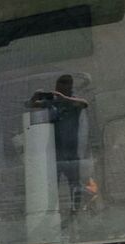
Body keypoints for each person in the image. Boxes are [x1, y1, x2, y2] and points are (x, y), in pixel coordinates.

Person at [29, 75, 90, 210]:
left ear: (69, 88)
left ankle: (76, 212)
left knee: (74, 185)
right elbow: (30, 105)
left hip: (71, 154)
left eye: (63, 86)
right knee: (52, 185)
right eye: (58, 86)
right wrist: (35, 96)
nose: (59, 89)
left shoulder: (73, 103)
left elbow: (84, 103)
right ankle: (51, 212)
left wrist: (65, 99)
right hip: (55, 154)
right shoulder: (53, 103)